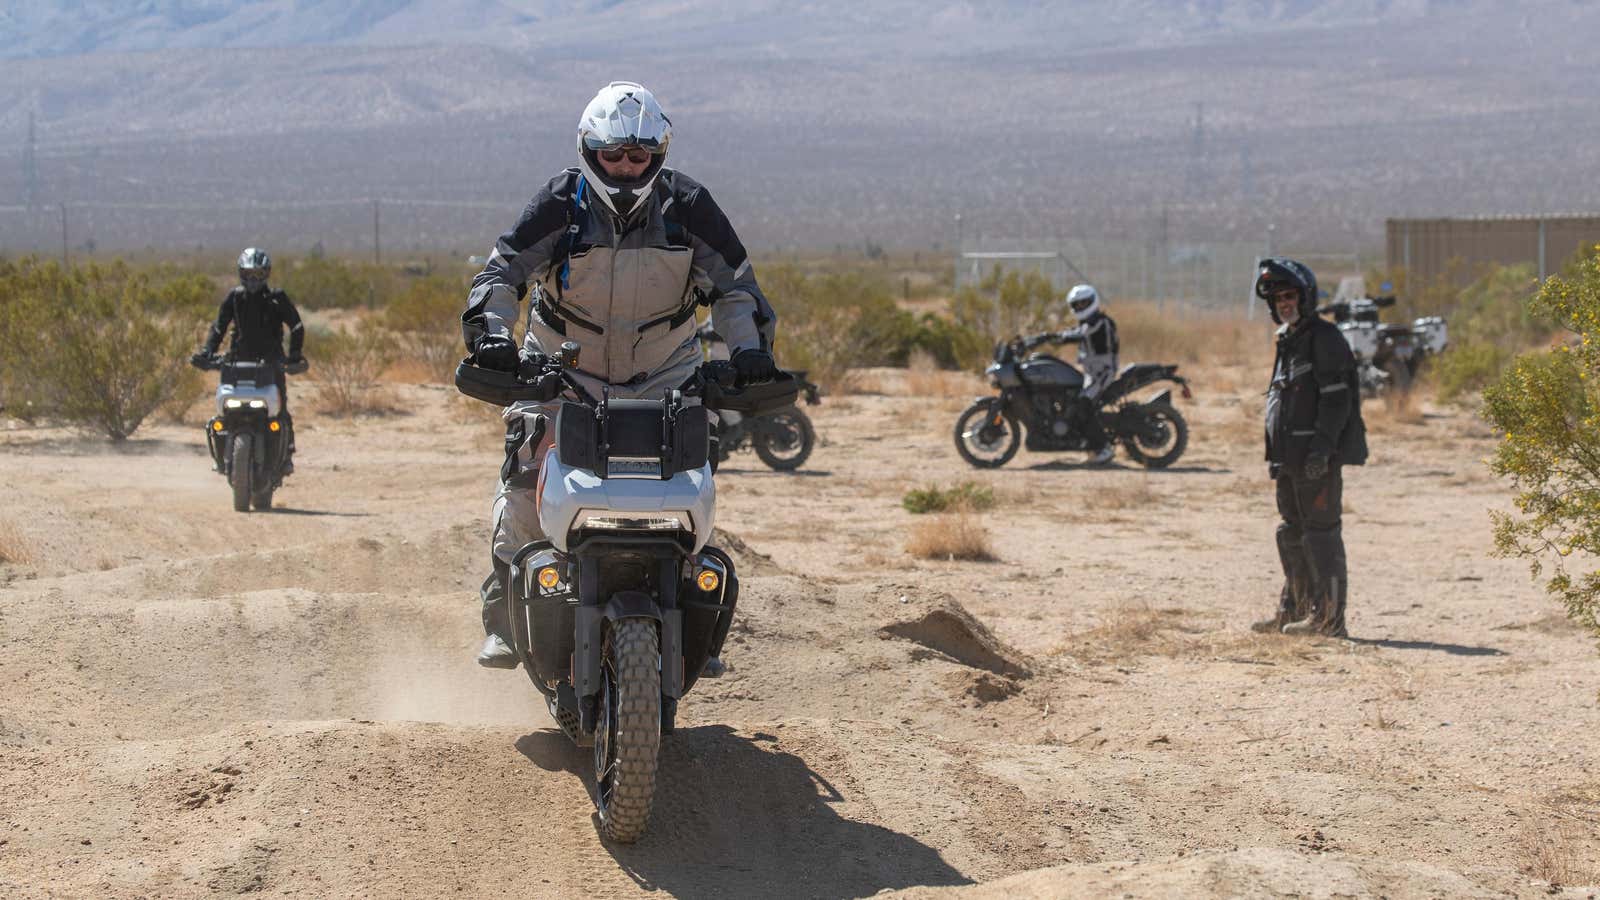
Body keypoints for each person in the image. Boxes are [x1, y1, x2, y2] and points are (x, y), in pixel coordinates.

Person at [462, 81, 777, 669]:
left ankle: (688, 614)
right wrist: (493, 339)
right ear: (590, 151)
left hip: (666, 374)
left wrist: (750, 351)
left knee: (689, 484)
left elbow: (735, 287)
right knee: (527, 473)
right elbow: (502, 276)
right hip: (562, 373)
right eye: (614, 156)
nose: (626, 168)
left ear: (658, 155)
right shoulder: (559, 204)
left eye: (638, 156)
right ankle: (504, 616)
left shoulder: (688, 206)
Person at [1250, 257, 1367, 638]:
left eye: (1290, 295)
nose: (1284, 303)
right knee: (1291, 533)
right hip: (1289, 459)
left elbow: (1338, 401)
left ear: (1306, 297)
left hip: (1316, 458)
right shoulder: (1289, 340)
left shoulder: (1324, 338)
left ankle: (1329, 621)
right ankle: (1294, 611)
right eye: (1278, 298)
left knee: (1321, 534)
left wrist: (1322, 450)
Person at [191, 247, 305, 472]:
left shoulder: (277, 298)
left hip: (271, 364)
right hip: (237, 363)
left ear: (267, 274)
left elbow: (297, 326)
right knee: (222, 414)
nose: (253, 279)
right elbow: (219, 327)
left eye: (259, 274)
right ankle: (221, 453)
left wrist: (294, 355)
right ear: (240, 273)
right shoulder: (235, 298)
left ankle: (287, 453)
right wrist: (207, 352)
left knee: (280, 409)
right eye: (248, 274)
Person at [1041, 283, 1119, 465]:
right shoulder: (1086, 323)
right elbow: (1076, 332)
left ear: (1093, 301)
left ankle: (1103, 449)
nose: (1080, 308)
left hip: (1103, 372)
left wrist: (1055, 338)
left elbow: (1079, 335)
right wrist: (1046, 337)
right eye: (1077, 305)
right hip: (1091, 372)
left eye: (1084, 304)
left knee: (1084, 404)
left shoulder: (1101, 321)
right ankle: (1084, 440)